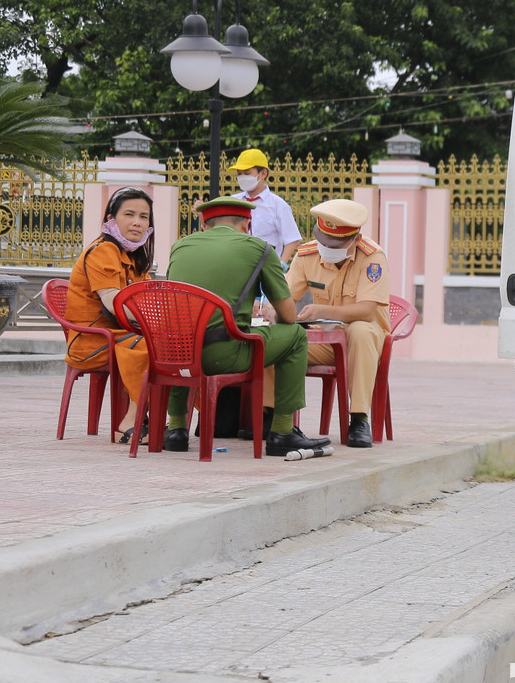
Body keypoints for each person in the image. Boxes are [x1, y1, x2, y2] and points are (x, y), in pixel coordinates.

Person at [161, 196, 329, 457]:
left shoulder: (179, 247)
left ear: (204, 226)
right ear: (246, 225)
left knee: (185, 335)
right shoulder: (259, 248)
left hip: (174, 355)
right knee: (296, 336)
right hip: (224, 356)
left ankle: (176, 429)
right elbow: (287, 315)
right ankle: (282, 431)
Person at [264, 198, 390, 448]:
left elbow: (367, 311)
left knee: (360, 330)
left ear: (356, 239)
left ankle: (359, 419)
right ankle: (271, 417)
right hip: (325, 342)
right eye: (323, 241)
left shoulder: (372, 257)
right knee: (275, 340)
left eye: (335, 244)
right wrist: (271, 310)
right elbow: (283, 296)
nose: (327, 248)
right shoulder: (307, 255)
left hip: (364, 342)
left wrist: (323, 310)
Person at [63, 186, 154, 442]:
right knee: (153, 347)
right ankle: (132, 420)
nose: (137, 223)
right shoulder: (103, 250)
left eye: (144, 217)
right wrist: (155, 319)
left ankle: (172, 420)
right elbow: (113, 302)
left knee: (175, 347)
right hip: (92, 339)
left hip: (119, 333)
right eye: (129, 214)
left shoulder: (132, 256)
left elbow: (148, 299)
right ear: (111, 219)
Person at [229, 148, 302, 265]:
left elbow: (292, 239)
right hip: (237, 265)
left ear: (263, 173)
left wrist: (282, 264)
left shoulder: (278, 205)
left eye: (247, 173)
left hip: (266, 266)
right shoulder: (233, 201)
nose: (242, 177)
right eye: (239, 174)